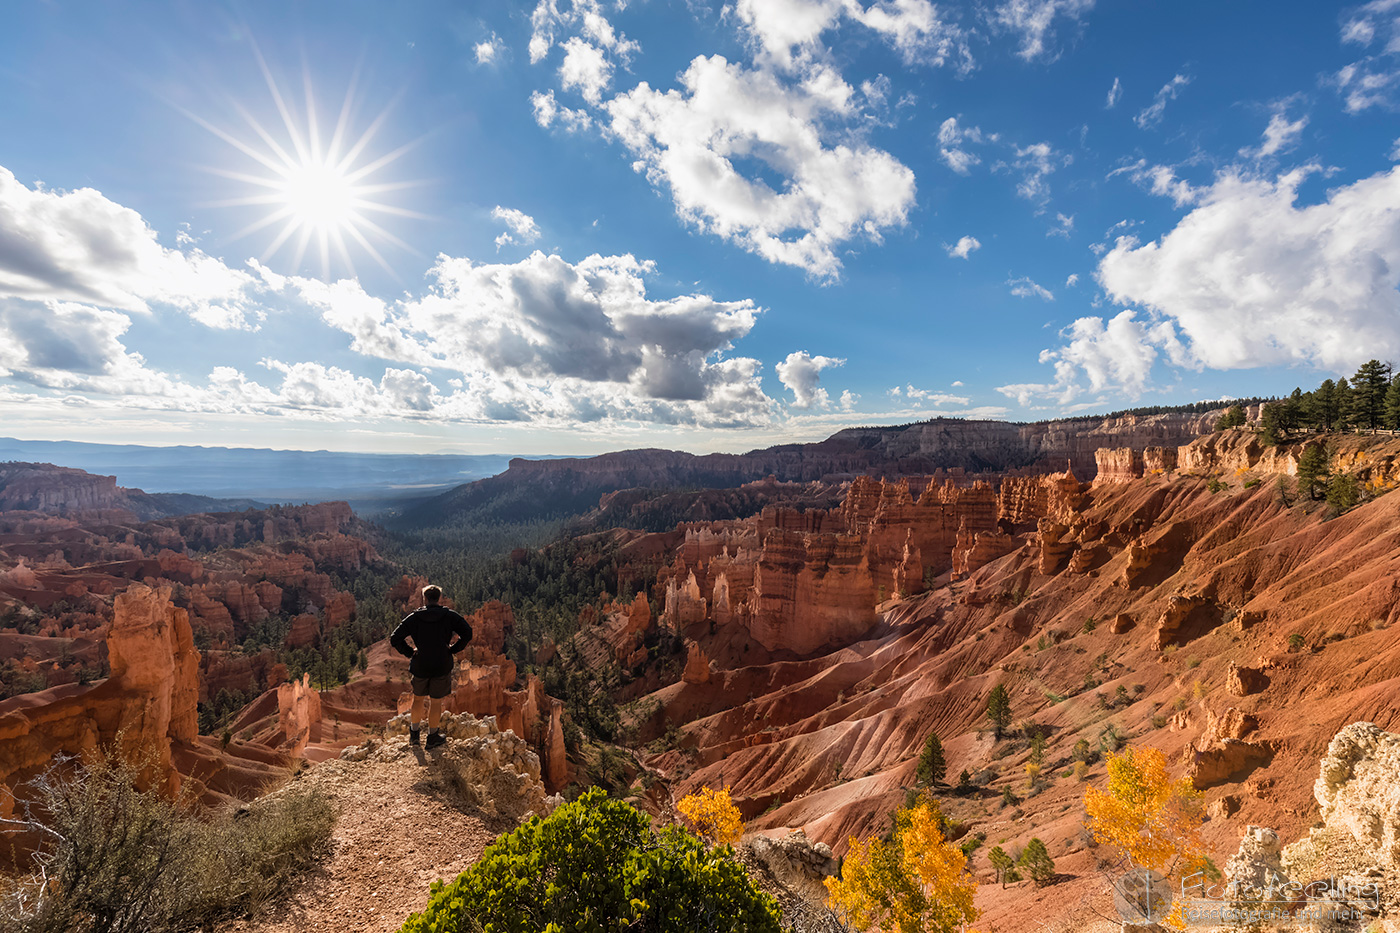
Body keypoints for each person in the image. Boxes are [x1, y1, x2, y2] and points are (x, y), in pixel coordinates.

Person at [389, 584, 472, 749]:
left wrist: (409, 652)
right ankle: (432, 737)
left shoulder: (414, 617)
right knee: (435, 702)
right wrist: (452, 650)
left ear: (424, 599)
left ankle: (414, 736)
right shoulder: (449, 616)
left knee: (418, 699)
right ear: (439, 598)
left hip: (420, 664)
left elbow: (395, 638)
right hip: (441, 664)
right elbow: (467, 633)